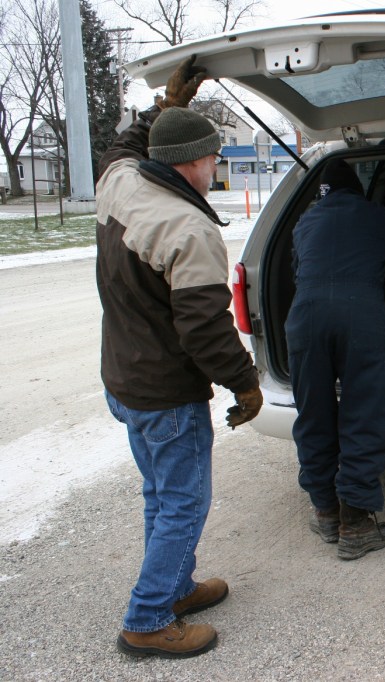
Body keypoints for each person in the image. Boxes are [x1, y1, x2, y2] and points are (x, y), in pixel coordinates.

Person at [95, 56, 262, 659]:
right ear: (193, 162)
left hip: (125, 379)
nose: (215, 167)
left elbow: (122, 147)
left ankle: (174, 588)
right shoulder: (188, 231)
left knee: (161, 495)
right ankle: (146, 619)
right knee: (184, 501)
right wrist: (246, 384)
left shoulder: (118, 183)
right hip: (165, 391)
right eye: (213, 157)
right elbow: (206, 333)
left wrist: (161, 111)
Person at [287, 158, 385, 561]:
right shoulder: (374, 215)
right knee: (363, 412)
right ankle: (357, 524)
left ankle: (325, 510)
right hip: (358, 318)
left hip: (305, 317)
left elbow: (298, 269)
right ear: (355, 188)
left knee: (313, 412)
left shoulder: (305, 221)